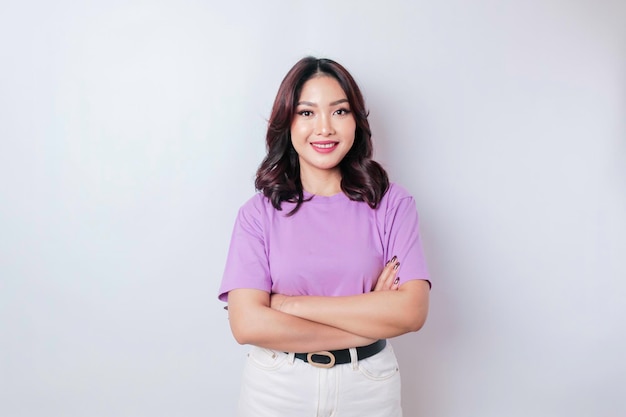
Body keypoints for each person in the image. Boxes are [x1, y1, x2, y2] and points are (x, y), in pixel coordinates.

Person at [218, 57, 431, 417]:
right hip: (276, 388)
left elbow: (411, 312)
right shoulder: (257, 214)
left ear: (356, 121)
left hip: (368, 388)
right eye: (306, 113)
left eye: (339, 111)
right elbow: (247, 324)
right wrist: (368, 323)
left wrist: (289, 305)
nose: (324, 128)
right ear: (287, 122)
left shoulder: (392, 203)